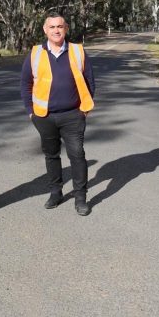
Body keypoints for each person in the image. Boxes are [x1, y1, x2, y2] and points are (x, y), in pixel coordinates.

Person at [21, 13, 96, 216]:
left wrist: (84, 110)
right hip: (44, 116)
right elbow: (25, 84)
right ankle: (56, 192)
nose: (56, 30)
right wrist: (31, 112)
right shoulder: (36, 53)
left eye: (60, 26)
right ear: (45, 30)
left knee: (77, 155)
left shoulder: (77, 51)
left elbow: (89, 81)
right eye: (52, 27)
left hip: (73, 115)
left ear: (66, 29)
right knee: (51, 155)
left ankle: (81, 198)